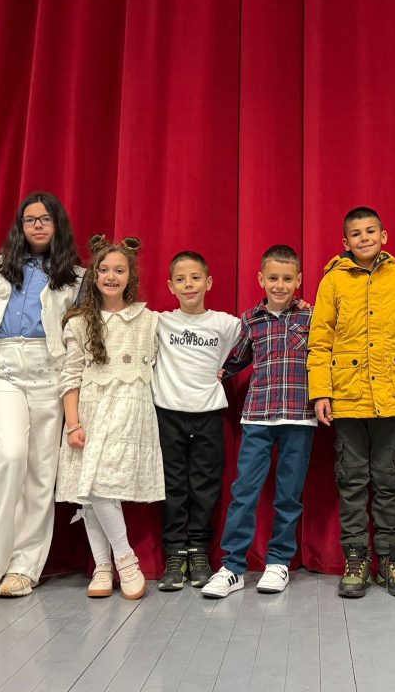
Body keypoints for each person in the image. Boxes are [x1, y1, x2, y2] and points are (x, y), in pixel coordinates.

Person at [0, 192, 84, 603]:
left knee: (40, 470)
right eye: (29, 219)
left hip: (49, 369)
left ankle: (24, 566)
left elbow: (76, 334)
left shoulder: (77, 276)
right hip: (2, 365)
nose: (37, 225)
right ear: (20, 225)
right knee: (10, 455)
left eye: (45, 219)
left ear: (57, 224)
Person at [308, 206, 395, 598]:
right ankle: (356, 560)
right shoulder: (333, 281)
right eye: (356, 234)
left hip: (392, 396)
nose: (364, 238)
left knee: (390, 479)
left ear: (384, 236)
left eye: (370, 231)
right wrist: (321, 391)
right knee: (352, 480)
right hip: (347, 396)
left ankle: (392, 561)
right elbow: (320, 340)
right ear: (345, 242)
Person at [201, 245, 316, 598]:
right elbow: (236, 359)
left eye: (287, 279)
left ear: (298, 280)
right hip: (258, 417)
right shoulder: (250, 320)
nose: (280, 285)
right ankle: (232, 566)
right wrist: (213, 373)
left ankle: (278, 561)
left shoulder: (311, 317)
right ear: (261, 279)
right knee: (244, 491)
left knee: (289, 495)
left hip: (299, 417)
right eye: (273, 278)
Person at [56, 235, 162, 600]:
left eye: (119, 270)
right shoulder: (79, 323)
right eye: (104, 270)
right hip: (91, 413)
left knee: (100, 486)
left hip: (128, 413)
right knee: (89, 492)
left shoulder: (147, 320)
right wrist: (73, 424)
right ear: (94, 275)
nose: (111, 276)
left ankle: (124, 560)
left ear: (131, 276)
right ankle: (107, 564)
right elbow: (70, 377)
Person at [153, 251, 241, 590]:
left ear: (209, 282)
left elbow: (261, 328)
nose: (188, 285)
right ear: (170, 286)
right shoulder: (159, 322)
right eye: (180, 279)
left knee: (205, 486)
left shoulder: (225, 324)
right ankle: (175, 553)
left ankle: (199, 551)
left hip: (208, 415)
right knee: (173, 485)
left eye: (195, 278)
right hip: (169, 414)